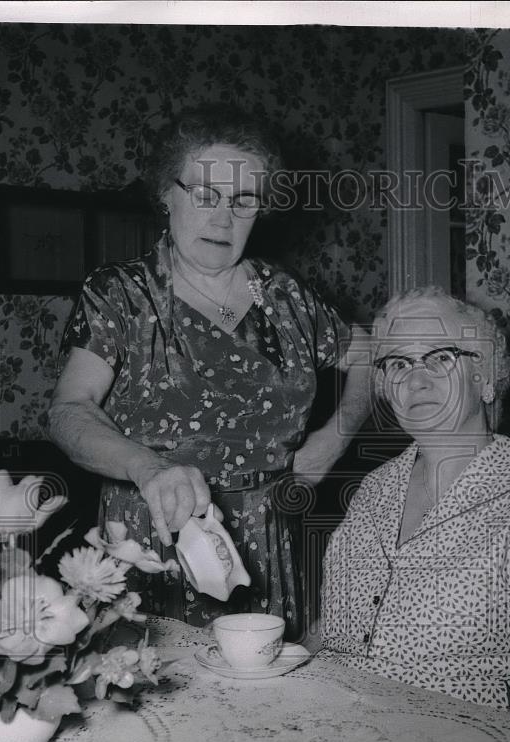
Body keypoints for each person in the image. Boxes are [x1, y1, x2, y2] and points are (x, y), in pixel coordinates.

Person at [48, 105, 369, 639]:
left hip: (267, 545)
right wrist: (148, 468)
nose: (223, 218)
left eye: (244, 201)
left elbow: (370, 355)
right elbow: (67, 411)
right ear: (165, 195)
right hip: (153, 543)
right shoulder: (122, 294)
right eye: (205, 195)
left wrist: (332, 439)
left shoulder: (288, 297)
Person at [318, 288, 510, 731]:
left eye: (440, 357)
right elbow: (330, 631)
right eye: (398, 363)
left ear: (486, 378)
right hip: (338, 738)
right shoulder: (371, 491)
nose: (415, 379)